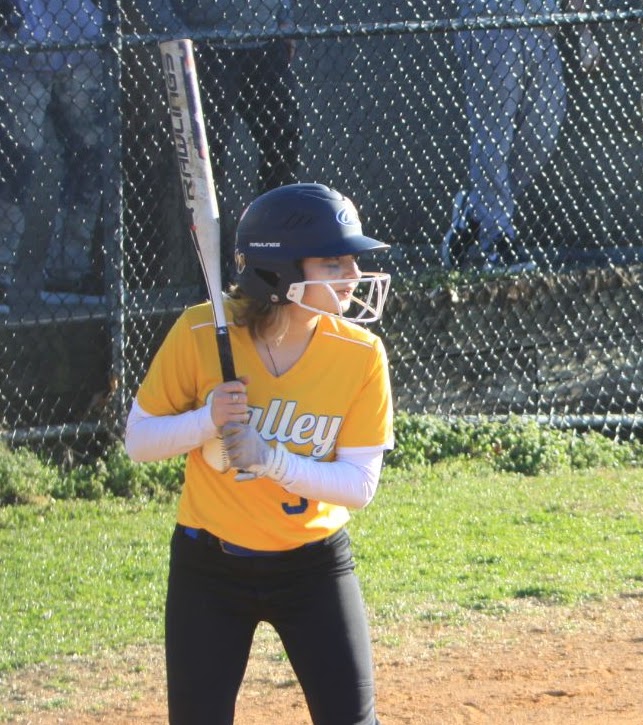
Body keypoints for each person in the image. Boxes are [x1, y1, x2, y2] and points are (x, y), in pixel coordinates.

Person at [124, 184, 394, 724]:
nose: (353, 275)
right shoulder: (201, 331)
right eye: (334, 261)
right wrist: (208, 421)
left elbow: (360, 485)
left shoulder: (360, 353)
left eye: (353, 261)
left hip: (314, 565)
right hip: (210, 567)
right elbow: (138, 441)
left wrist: (270, 458)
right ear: (280, 270)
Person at [441, 0, 600, 273]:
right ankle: (498, 240)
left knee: (543, 131)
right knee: (493, 136)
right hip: (491, 20)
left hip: (542, 25)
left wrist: (584, 31)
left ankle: (476, 210)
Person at [155, 0, 302, 265]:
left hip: (265, 45)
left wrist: (285, 21)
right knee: (207, 159)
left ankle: (270, 256)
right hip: (205, 47)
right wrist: (177, 34)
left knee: (284, 139)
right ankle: (217, 275)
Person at [0, 0, 112, 310]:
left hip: (85, 44)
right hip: (20, 52)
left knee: (88, 162)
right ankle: (2, 274)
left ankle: (66, 272)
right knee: (16, 165)